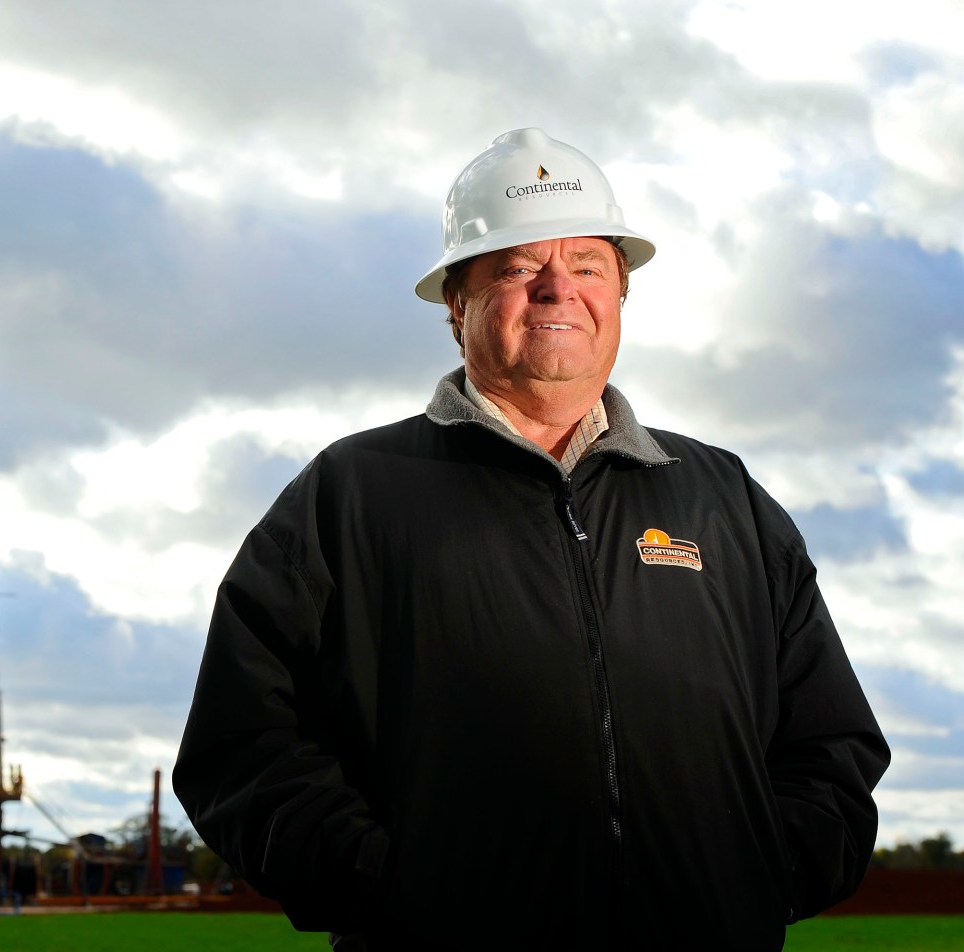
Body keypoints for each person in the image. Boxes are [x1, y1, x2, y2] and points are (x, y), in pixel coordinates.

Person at [172, 128, 889, 950]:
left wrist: (758, 879)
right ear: (457, 303)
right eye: (517, 268)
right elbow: (240, 743)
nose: (558, 291)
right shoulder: (351, 493)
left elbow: (832, 741)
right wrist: (387, 892)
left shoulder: (722, 496)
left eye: (587, 265)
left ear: (620, 293)